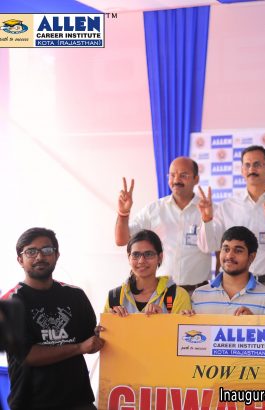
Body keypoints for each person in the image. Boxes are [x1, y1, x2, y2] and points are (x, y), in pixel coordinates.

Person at [2, 228, 104, 410]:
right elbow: (27, 355)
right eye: (31, 251)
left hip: (79, 402)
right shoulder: (10, 302)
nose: (39, 257)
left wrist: (109, 328)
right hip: (31, 404)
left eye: (47, 250)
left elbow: (91, 342)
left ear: (56, 255)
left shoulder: (76, 295)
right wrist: (79, 347)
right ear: (20, 259)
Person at [197, 145, 265, 291]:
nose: (251, 169)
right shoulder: (227, 206)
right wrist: (207, 220)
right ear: (242, 170)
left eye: (257, 164)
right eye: (247, 165)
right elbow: (208, 247)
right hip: (233, 285)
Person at [115, 156, 211, 294]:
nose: (176, 180)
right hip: (161, 294)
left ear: (196, 179)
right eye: (172, 175)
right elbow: (121, 240)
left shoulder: (207, 210)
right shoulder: (154, 210)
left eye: (183, 175)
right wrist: (123, 213)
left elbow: (219, 249)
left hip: (197, 293)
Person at [189, 226, 265, 315]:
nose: (229, 256)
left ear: (251, 257)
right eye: (226, 249)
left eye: (238, 251)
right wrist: (185, 318)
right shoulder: (199, 295)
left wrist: (253, 322)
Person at [104, 229, 191, 316]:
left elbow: (182, 325)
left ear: (160, 257)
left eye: (148, 254)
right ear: (129, 258)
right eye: (136, 255)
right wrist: (107, 323)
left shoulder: (178, 296)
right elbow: (104, 324)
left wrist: (163, 320)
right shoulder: (114, 297)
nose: (141, 261)